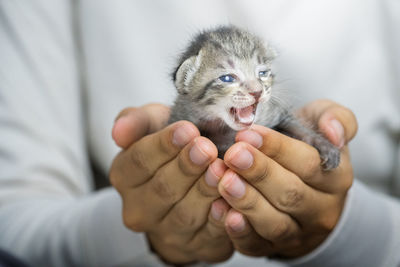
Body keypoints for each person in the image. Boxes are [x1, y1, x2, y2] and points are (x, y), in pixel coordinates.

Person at [0, 1, 399, 266]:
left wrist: (349, 227)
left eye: (262, 74)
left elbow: (285, 118)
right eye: (228, 77)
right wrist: (141, 233)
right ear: (188, 82)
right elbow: (14, 223)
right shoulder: (184, 126)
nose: (257, 90)